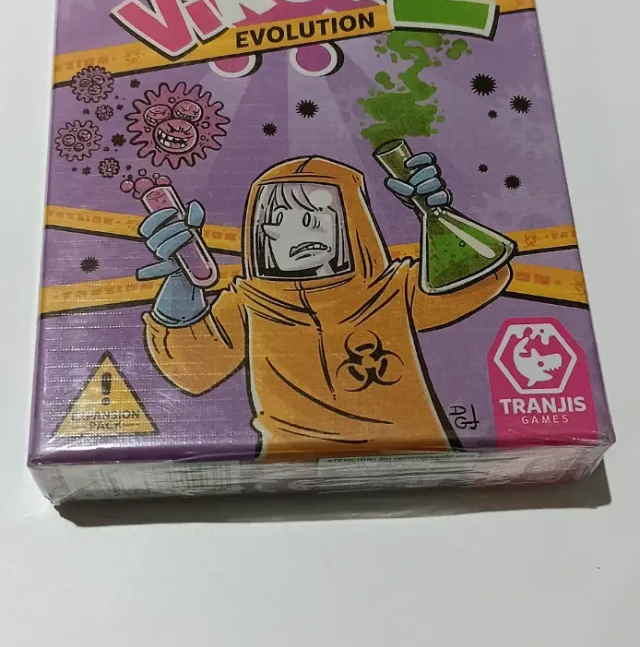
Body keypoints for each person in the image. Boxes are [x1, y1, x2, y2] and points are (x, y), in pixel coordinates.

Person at [139, 152, 512, 458]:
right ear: (261, 233)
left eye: (316, 217)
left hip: (412, 454)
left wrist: (435, 217)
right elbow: (193, 370)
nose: (301, 233)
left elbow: (483, 281)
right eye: (279, 221)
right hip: (291, 470)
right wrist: (181, 288)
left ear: (351, 223)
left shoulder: (391, 290)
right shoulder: (250, 304)